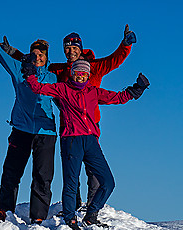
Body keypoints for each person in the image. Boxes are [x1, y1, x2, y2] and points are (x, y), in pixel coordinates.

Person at [8, 27, 136, 209]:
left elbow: (114, 60)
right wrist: (14, 53)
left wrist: (125, 44)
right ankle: (73, 206)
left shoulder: (95, 67)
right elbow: (37, 63)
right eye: (67, 48)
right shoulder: (59, 70)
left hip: (90, 125)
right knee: (71, 168)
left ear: (81, 48)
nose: (70, 51)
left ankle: (93, 204)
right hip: (68, 125)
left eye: (74, 48)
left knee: (92, 168)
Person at [24, 59, 149, 230]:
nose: (80, 76)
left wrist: (136, 90)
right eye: (77, 73)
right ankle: (70, 218)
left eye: (84, 74)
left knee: (108, 182)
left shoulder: (93, 92)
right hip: (72, 140)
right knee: (71, 182)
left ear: (88, 75)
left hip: (91, 141)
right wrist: (30, 74)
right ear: (72, 73)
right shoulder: (62, 89)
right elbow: (38, 88)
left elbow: (117, 98)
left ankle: (91, 215)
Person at [0, 20, 59, 224]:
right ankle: (4, 209)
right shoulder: (19, 70)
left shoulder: (53, 78)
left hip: (46, 131)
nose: (38, 57)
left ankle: (39, 217)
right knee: (12, 171)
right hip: (21, 129)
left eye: (41, 55)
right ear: (29, 55)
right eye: (34, 54)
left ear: (46, 57)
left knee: (43, 176)